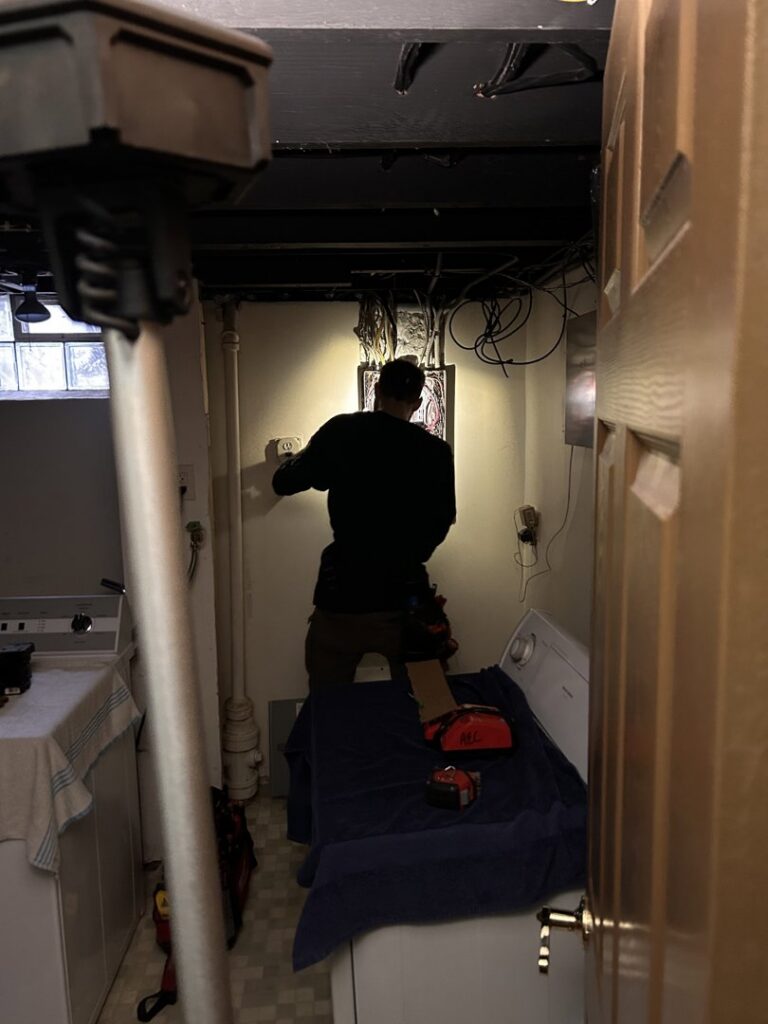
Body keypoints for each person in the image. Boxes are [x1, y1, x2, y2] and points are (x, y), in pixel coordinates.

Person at [272, 358, 456, 690]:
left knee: (329, 704)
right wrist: (409, 555)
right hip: (405, 596)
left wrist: (307, 459)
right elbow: (442, 520)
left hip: (343, 593)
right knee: (428, 703)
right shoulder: (435, 451)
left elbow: (284, 482)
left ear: (376, 390)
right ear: (417, 402)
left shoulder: (343, 431)